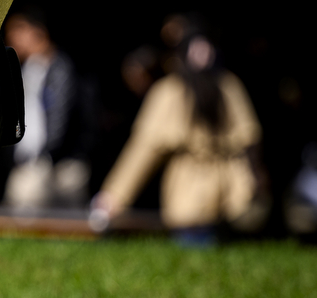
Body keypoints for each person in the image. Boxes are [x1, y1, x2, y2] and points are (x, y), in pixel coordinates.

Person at [91, 27, 265, 244]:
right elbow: (144, 150)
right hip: (197, 195)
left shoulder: (225, 87)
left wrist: (257, 183)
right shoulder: (173, 91)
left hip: (226, 194)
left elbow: (249, 138)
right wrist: (115, 195)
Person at [0, 9, 90, 207]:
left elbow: (61, 115)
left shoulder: (60, 68)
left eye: (18, 30)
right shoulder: (26, 68)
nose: (11, 37)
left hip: (58, 162)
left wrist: (45, 154)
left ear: (37, 31)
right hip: (31, 161)